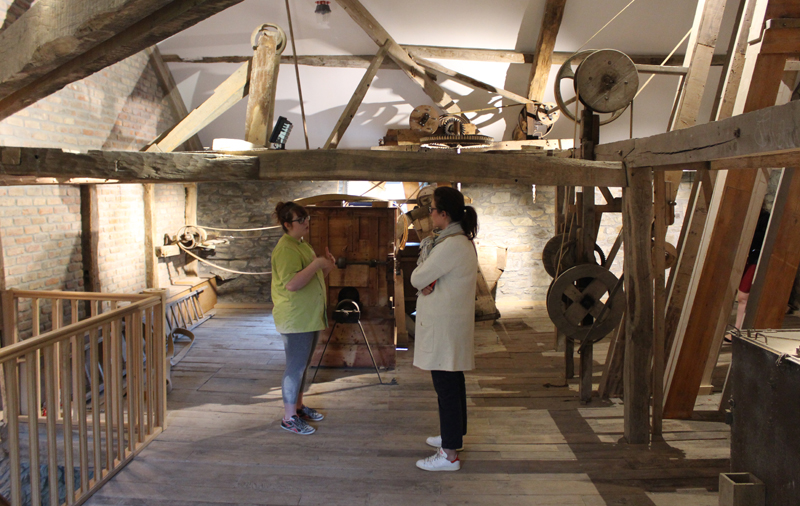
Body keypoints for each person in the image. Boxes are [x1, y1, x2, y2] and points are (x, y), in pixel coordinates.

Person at [410, 186, 478, 471]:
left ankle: (449, 455)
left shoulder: (450, 245)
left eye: (433, 209)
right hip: (450, 324)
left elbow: (417, 277)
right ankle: (453, 436)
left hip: (445, 327)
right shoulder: (457, 241)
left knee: (446, 388)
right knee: (453, 382)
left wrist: (423, 279)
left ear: (444, 214)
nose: (431, 214)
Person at [271, 201, 336, 435]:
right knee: (295, 367)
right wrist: (317, 263)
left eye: (307, 218)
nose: (306, 222)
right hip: (296, 317)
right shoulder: (286, 249)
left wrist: (327, 266)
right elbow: (292, 284)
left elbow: (309, 279)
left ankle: (297, 407)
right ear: (287, 224)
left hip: (308, 316)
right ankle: (289, 418)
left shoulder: (301, 245)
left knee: (303, 365)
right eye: (300, 220)